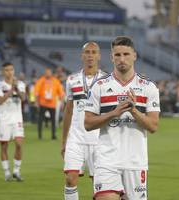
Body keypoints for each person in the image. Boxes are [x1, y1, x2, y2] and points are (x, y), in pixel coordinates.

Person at [84, 36, 160, 200]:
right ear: (111, 57)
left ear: (134, 56)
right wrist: (114, 112)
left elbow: (153, 126)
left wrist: (134, 111)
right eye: (117, 55)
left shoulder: (148, 87)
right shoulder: (99, 86)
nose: (122, 59)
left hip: (135, 163)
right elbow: (88, 123)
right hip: (107, 161)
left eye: (126, 54)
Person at [62, 42, 107, 200]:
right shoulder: (72, 80)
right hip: (76, 138)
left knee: (100, 184)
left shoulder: (106, 80)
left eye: (94, 52)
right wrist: (63, 142)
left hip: (99, 140)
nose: (90, 55)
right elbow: (68, 111)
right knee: (70, 178)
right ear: (82, 56)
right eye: (87, 52)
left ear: (99, 56)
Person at [0, 62, 26, 181]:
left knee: (18, 144)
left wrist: (16, 87)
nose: (9, 72)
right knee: (4, 146)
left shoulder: (21, 84)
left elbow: (23, 98)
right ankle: (7, 173)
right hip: (4, 119)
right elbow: (0, 101)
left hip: (17, 119)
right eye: (6, 70)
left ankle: (16, 171)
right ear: (3, 72)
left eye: (11, 70)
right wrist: (11, 89)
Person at [35, 67, 64, 140]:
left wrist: (62, 102)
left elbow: (60, 92)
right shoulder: (41, 80)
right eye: (46, 72)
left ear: (51, 73)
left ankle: (53, 135)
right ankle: (40, 135)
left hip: (52, 104)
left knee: (53, 120)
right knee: (40, 120)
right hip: (43, 103)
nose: (48, 73)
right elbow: (36, 92)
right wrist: (36, 102)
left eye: (49, 72)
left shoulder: (56, 81)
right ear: (45, 73)